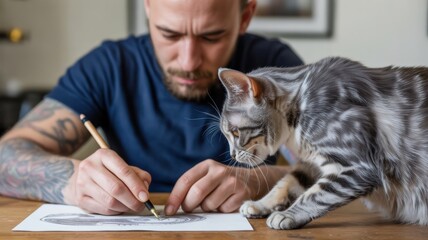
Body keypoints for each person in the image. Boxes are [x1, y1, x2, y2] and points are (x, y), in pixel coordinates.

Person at [0, 0, 303, 216]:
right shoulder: (109, 67)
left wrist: (258, 181)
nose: (188, 61)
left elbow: (336, 169)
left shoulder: (274, 68)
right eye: (169, 34)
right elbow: (5, 156)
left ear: (246, 16)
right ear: (148, 7)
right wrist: (73, 180)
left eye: (211, 36)